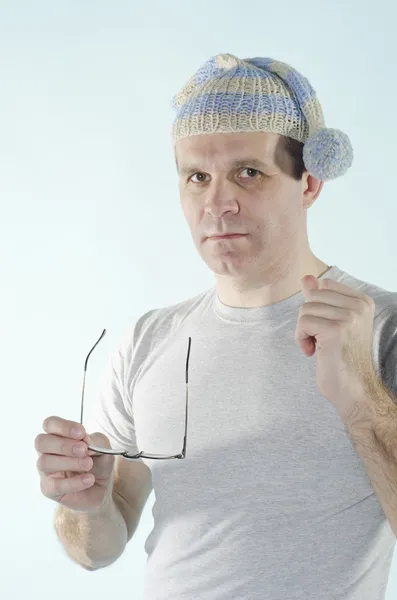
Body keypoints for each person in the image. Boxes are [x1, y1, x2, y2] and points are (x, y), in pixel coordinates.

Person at [35, 54, 397, 599]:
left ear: (310, 181)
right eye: (197, 177)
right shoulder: (147, 342)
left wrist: (363, 401)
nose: (218, 204)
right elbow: (96, 550)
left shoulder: (380, 327)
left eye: (248, 173)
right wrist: (85, 504)